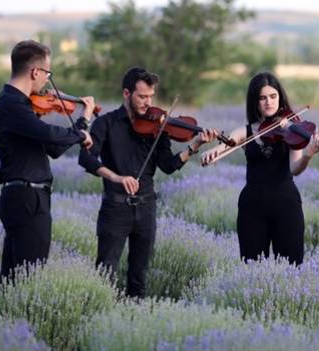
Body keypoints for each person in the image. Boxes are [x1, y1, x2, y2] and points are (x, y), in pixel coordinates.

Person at [78, 67, 218, 299]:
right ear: (126, 93)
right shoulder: (106, 123)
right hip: (115, 208)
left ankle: (134, 319)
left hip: (146, 207)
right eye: (142, 96)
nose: (148, 103)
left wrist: (194, 146)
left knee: (139, 277)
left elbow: (168, 165)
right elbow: (86, 158)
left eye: (150, 97)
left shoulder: (158, 126)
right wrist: (116, 177)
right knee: (105, 273)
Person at [0, 40, 95, 282]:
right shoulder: (12, 104)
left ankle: (9, 320)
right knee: (29, 277)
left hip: (27, 198)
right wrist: (80, 134)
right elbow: (49, 134)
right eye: (47, 73)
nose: (48, 81)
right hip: (26, 199)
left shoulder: (21, 105)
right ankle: (19, 319)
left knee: (15, 279)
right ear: (35, 72)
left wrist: (83, 120)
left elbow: (53, 148)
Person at [201, 72, 319, 265]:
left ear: (280, 98)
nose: (269, 102)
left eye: (273, 96)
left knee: (291, 269)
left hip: (286, 205)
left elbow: (295, 168)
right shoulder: (246, 131)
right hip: (252, 207)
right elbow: (229, 142)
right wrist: (214, 151)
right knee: (251, 268)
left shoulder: (291, 130)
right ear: (255, 102)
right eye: (263, 98)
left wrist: (307, 154)